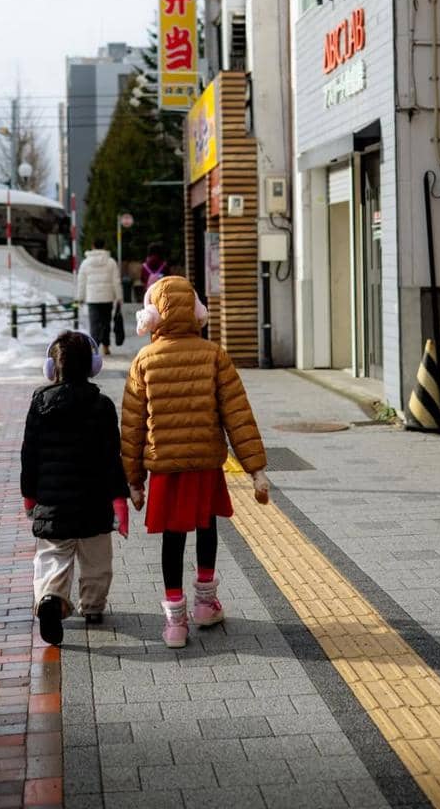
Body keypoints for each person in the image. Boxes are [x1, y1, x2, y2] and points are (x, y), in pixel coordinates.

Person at [121, 275, 269, 648]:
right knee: (207, 526)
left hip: (166, 469)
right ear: (195, 311)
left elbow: (133, 427)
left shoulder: (144, 360)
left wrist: (134, 480)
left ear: (153, 315)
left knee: (173, 539)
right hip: (205, 464)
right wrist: (256, 470)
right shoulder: (214, 355)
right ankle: (206, 605)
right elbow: (238, 415)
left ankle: (175, 622)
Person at [20, 330, 129, 646]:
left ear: (52, 369)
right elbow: (112, 456)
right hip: (94, 502)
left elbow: (30, 453)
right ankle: (92, 606)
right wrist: (119, 499)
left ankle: (51, 597)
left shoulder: (40, 403)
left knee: (54, 554)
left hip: (52, 501)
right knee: (97, 560)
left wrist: (29, 495)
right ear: (94, 366)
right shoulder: (102, 405)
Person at [76, 237, 123, 356]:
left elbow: (81, 282)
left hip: (92, 298)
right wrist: (119, 297)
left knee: (94, 323)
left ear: (92, 246)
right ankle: (106, 347)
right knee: (106, 322)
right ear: (104, 247)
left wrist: (80, 298)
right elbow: (116, 281)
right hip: (107, 298)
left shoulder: (85, 263)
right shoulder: (111, 262)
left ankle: (94, 346)